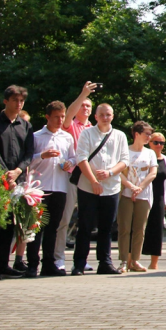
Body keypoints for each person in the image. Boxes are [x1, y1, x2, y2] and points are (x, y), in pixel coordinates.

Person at [0, 85, 33, 280]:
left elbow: (29, 153)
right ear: (6, 101)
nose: (19, 104)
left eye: (21, 101)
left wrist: (17, 171)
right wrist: (5, 174)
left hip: (17, 180)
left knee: (10, 224)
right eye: (15, 101)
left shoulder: (25, 125)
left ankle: (2, 264)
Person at [72, 103, 129, 275]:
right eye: (102, 114)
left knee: (107, 227)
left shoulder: (119, 136)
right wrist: (93, 181)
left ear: (112, 116)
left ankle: (105, 262)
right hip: (87, 187)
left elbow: (125, 160)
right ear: (95, 117)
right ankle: (79, 264)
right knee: (85, 226)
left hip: (111, 187)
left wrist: (110, 172)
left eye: (108, 114)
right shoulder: (86, 134)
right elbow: (81, 158)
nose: (105, 117)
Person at [27, 101, 76, 277]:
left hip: (60, 187)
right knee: (36, 226)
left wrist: (70, 163)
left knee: (53, 227)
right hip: (41, 187)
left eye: (62, 117)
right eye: (56, 117)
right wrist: (42, 155)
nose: (60, 120)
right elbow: (28, 161)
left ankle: (49, 263)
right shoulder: (37, 136)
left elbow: (73, 157)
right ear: (47, 117)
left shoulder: (67, 137)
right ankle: (32, 264)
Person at [57, 82, 96, 272]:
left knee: (86, 222)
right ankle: (59, 258)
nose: (86, 108)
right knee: (64, 219)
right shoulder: (72, 125)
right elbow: (69, 114)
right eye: (83, 105)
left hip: (88, 179)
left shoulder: (93, 129)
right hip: (72, 176)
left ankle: (82, 259)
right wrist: (83, 94)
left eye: (89, 106)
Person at [117, 121, 157, 273]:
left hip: (144, 195)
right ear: (137, 134)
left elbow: (152, 173)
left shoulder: (150, 153)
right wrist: (131, 187)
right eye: (146, 134)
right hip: (126, 194)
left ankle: (135, 260)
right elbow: (119, 172)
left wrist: (140, 187)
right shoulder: (125, 151)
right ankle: (123, 261)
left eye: (150, 134)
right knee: (124, 227)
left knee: (139, 229)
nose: (149, 137)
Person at [142, 132, 166, 270]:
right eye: (156, 142)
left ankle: (154, 262)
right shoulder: (144, 157)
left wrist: (164, 200)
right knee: (138, 227)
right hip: (144, 194)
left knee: (157, 229)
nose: (159, 145)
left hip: (159, 196)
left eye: (162, 143)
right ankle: (131, 259)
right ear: (149, 143)